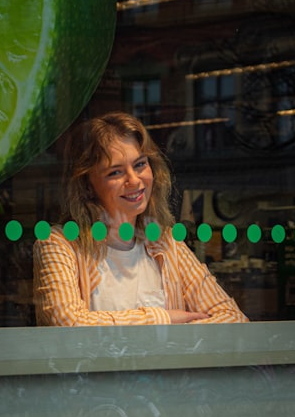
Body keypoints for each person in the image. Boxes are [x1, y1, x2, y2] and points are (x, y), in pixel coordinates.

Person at [33, 111, 249, 326]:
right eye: (115, 172)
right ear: (87, 186)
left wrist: (178, 334)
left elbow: (233, 318)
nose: (134, 181)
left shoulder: (166, 243)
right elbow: (68, 323)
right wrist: (164, 318)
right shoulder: (58, 244)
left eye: (140, 165)